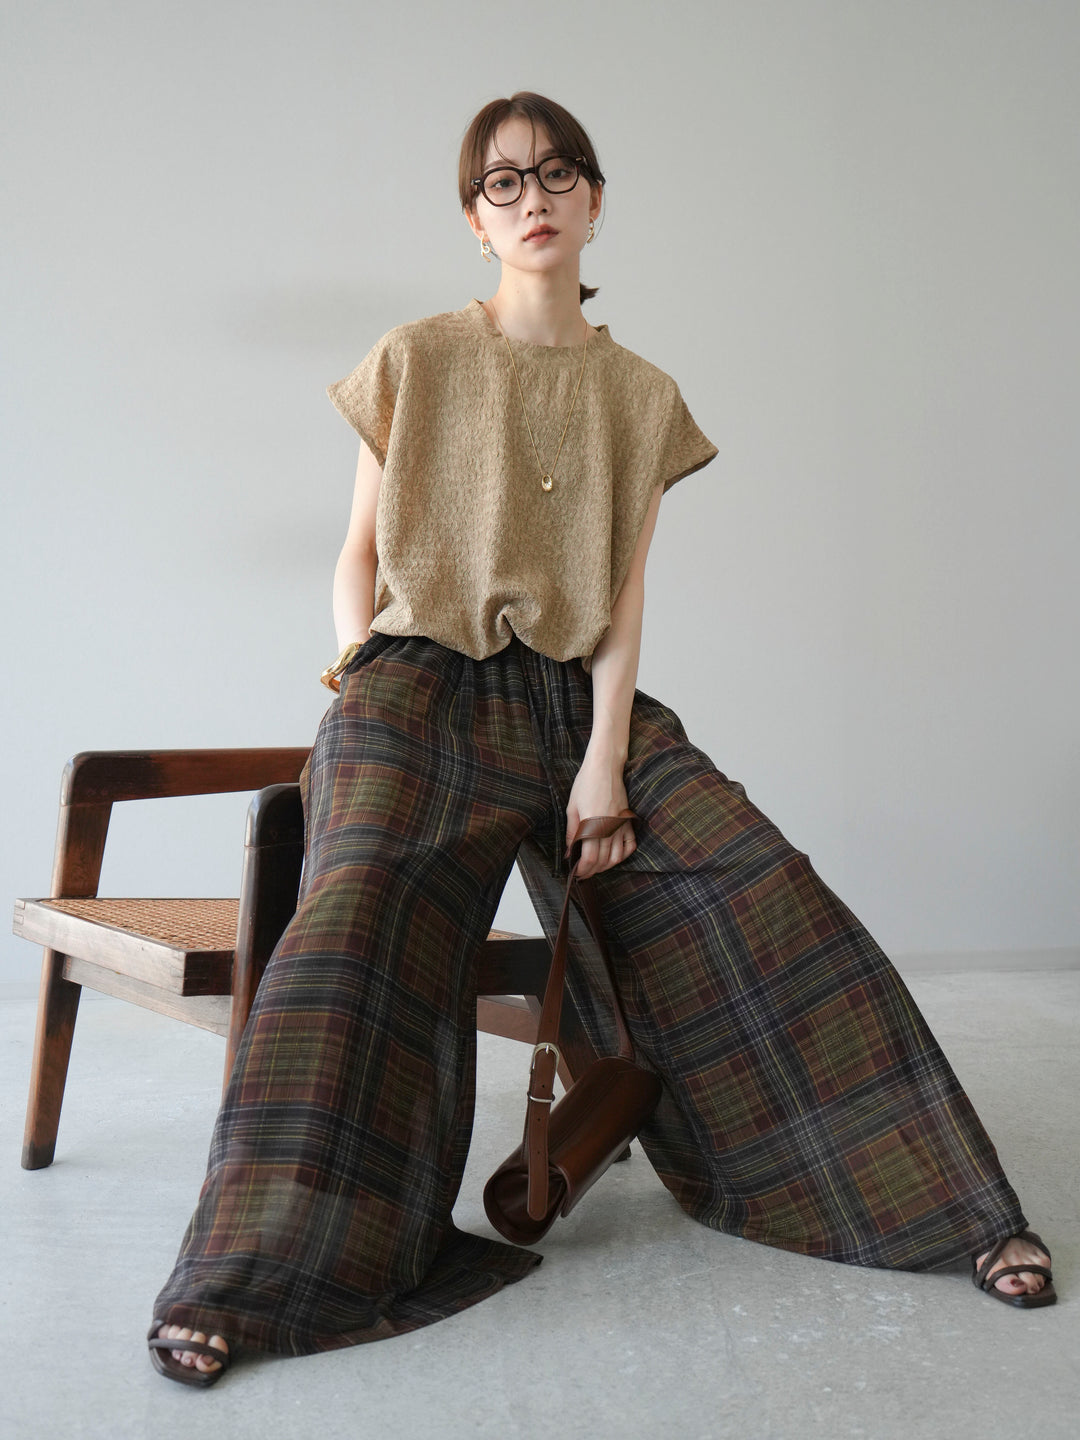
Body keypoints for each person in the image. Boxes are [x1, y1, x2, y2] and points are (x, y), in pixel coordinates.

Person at [147, 91, 1055, 1387]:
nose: (534, 200)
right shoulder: (413, 357)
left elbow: (623, 604)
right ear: (475, 219)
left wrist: (603, 765)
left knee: (762, 892)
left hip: (577, 699)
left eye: (559, 175)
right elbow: (357, 555)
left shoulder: (641, 394)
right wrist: (357, 683)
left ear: (596, 201)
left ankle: (950, 1213)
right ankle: (246, 1282)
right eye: (505, 183)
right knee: (353, 925)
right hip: (415, 688)